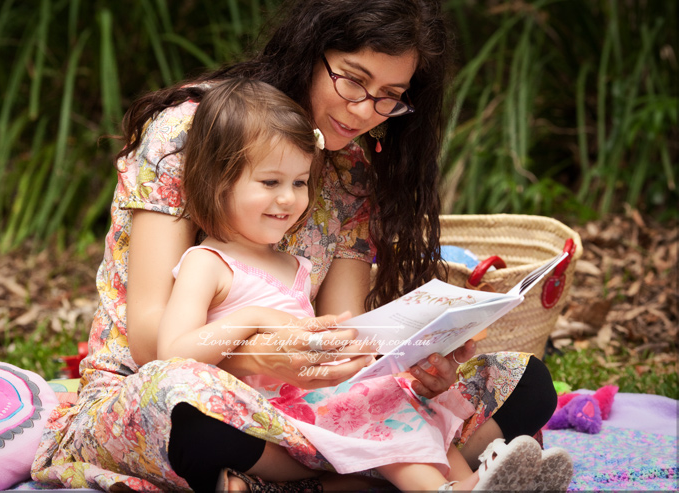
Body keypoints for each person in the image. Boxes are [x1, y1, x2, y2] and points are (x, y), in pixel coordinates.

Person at [32, 0, 570, 492]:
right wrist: (256, 353)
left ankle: (325, 474)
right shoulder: (191, 133)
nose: (364, 111)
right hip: (169, 388)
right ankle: (355, 475)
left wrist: (411, 359)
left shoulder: (350, 170)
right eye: (353, 80)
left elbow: (346, 328)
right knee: (182, 403)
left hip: (307, 405)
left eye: (389, 95)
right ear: (310, 50)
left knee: (522, 382)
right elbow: (154, 344)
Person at [158, 77, 549, 492]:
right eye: (271, 183)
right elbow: (173, 354)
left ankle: (470, 483)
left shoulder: (295, 265)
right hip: (267, 414)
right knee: (380, 409)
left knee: (398, 395)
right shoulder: (208, 262)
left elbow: (325, 340)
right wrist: (253, 317)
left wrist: (405, 344)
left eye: (299, 182)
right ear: (218, 181)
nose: (289, 199)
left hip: (318, 399)